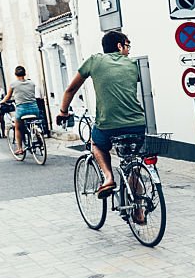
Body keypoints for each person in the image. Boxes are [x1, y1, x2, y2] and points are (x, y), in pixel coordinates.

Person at [58, 31, 147, 199]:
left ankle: (108, 178)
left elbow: (70, 89)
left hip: (108, 124)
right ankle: (139, 211)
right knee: (131, 163)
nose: (129, 50)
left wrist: (63, 111)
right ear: (119, 46)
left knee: (97, 144)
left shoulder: (94, 61)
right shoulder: (132, 64)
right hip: (137, 123)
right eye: (127, 46)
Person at [1, 67, 38, 156]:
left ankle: (20, 148)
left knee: (17, 128)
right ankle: (39, 140)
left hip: (22, 109)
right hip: (34, 108)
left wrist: (2, 101)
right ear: (25, 73)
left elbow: (8, 96)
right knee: (34, 123)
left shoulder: (13, 84)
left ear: (15, 74)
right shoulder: (32, 83)